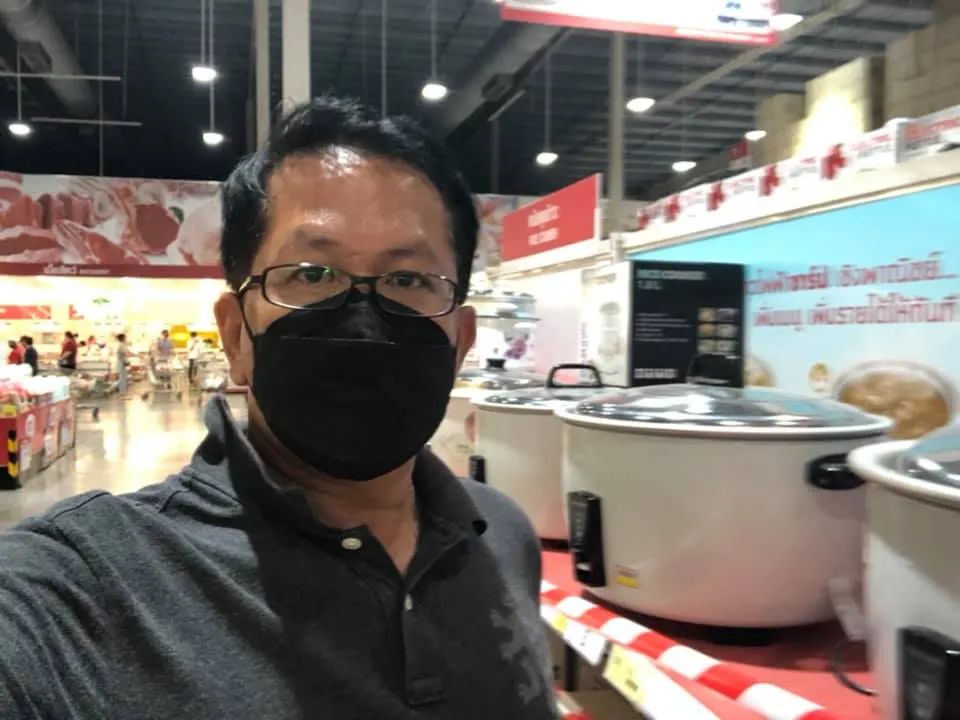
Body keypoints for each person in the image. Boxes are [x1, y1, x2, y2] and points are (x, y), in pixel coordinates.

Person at [0, 96, 553, 719]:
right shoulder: (85, 590)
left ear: (461, 345)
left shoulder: (502, 532)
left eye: (409, 280)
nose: (362, 318)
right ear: (237, 336)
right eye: (312, 274)